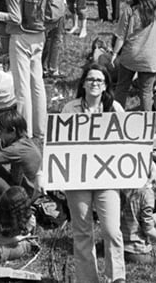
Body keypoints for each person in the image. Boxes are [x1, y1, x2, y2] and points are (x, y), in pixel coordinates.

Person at [62, 65, 126, 283]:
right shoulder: (70, 109)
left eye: (99, 80)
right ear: (83, 83)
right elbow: (58, 144)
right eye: (90, 79)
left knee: (111, 230)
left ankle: (116, 277)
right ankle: (87, 279)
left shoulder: (115, 108)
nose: (95, 83)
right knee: (82, 232)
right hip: (77, 177)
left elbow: (129, 141)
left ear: (106, 85)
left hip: (107, 176)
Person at [0, 0, 47, 139]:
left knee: (21, 86)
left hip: (21, 36)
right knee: (37, 83)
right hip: (38, 33)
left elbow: (15, 17)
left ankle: (24, 130)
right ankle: (41, 128)